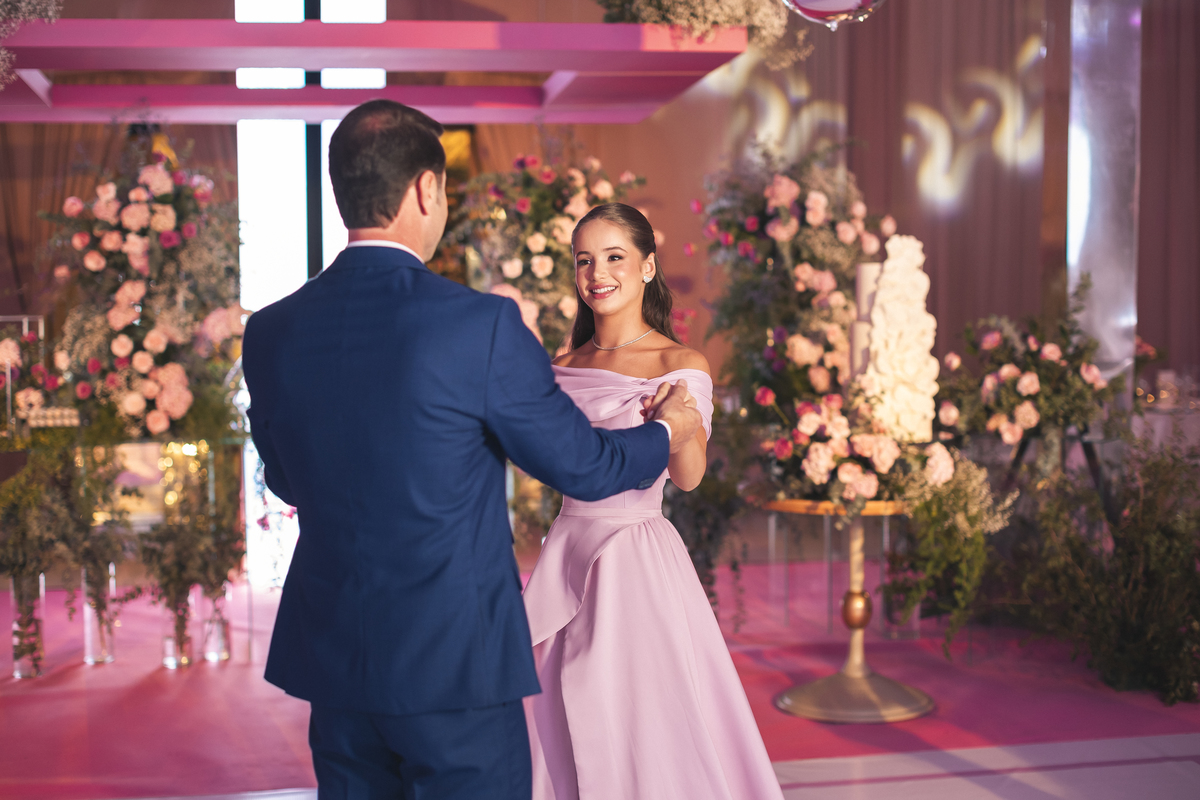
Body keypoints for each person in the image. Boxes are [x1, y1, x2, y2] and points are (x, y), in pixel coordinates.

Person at [241, 101, 702, 800]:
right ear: (427, 189)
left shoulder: (272, 331)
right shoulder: (478, 324)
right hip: (453, 657)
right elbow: (583, 466)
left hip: (335, 654)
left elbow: (285, 479)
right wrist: (666, 431)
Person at [522, 203, 785, 800]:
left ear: (646, 267)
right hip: (566, 547)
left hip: (636, 555)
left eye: (614, 257)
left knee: (640, 716)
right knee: (557, 715)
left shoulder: (680, 364)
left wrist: (677, 426)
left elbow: (689, 478)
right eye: (584, 260)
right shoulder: (561, 367)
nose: (597, 273)